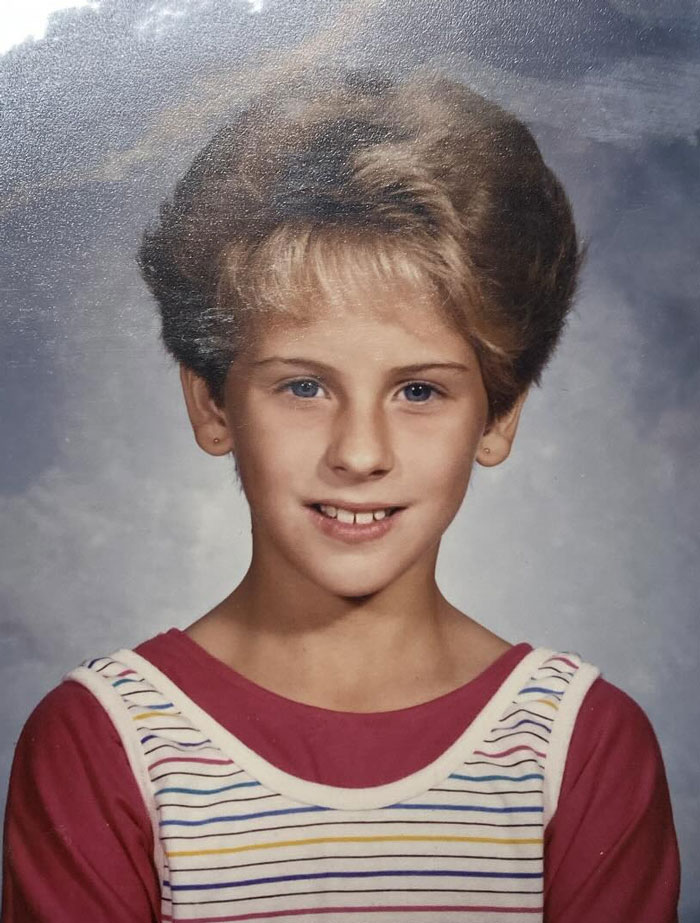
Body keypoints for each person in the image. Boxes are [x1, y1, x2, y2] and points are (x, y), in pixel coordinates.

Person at [1, 67, 680, 922]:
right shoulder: (104, 743)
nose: (360, 453)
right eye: (304, 387)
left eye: (421, 391)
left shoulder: (579, 748)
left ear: (499, 415)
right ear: (211, 404)